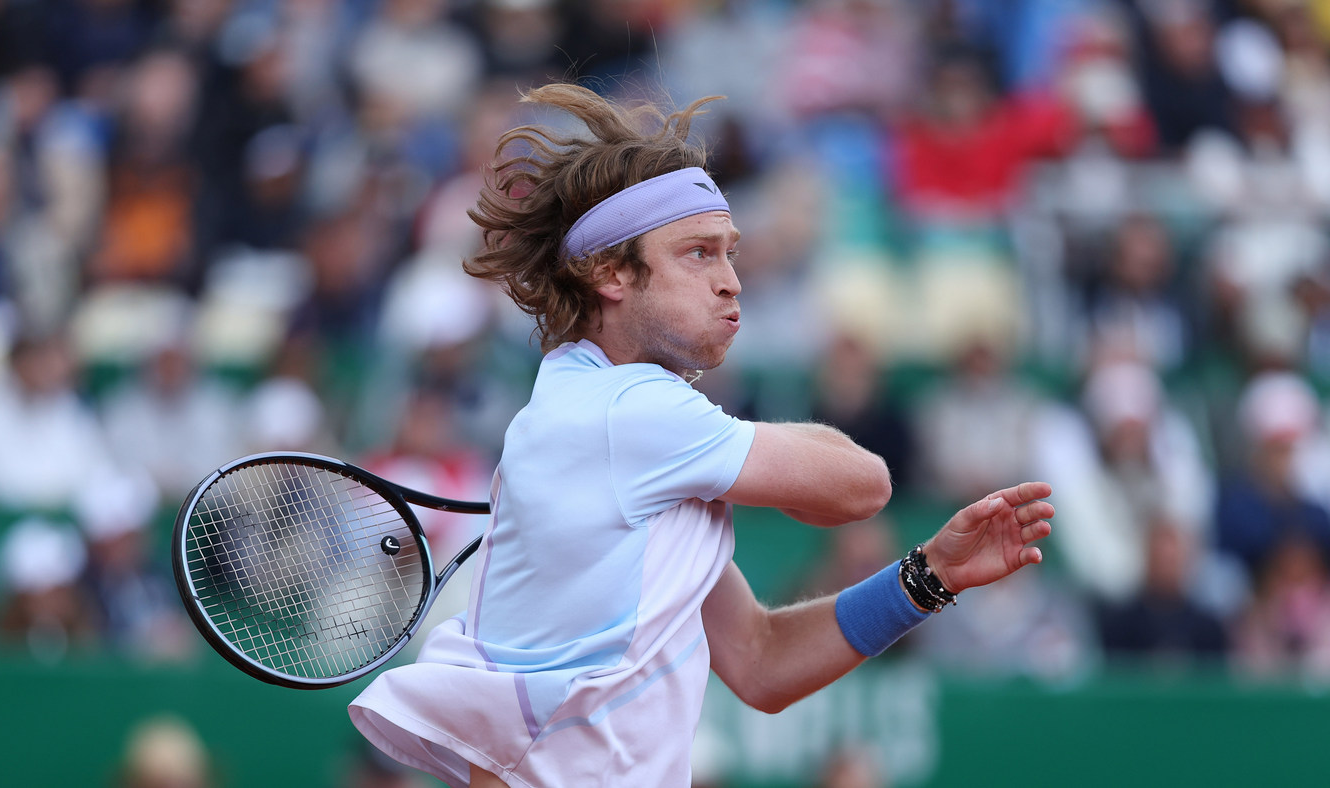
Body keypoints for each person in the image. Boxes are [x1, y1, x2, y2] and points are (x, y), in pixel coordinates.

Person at [348, 83, 1055, 788]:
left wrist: (931, 576)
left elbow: (761, 660)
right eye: (697, 254)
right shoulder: (631, 413)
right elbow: (862, 486)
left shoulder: (596, 421)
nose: (731, 282)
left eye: (730, 253)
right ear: (610, 273)